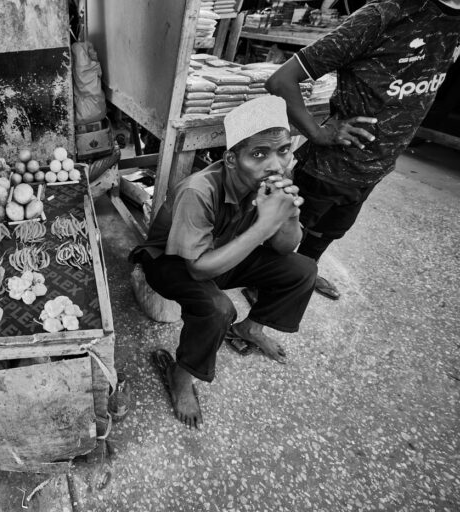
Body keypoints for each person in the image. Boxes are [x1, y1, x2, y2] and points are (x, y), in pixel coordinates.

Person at [130, 96, 317, 428]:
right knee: (217, 309)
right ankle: (181, 376)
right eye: (259, 154)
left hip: (226, 253)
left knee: (303, 270)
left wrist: (288, 216)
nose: (276, 165)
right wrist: (263, 225)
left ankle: (250, 328)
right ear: (231, 159)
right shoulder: (199, 190)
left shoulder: (274, 183)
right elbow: (198, 268)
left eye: (284, 151)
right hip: (171, 263)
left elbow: (285, 248)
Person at [265, 0, 460, 300]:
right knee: (290, 229)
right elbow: (281, 80)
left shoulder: (453, 23)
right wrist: (317, 132)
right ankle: (266, 286)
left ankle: (304, 272)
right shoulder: (384, 16)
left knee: (329, 231)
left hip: (376, 166)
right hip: (330, 167)